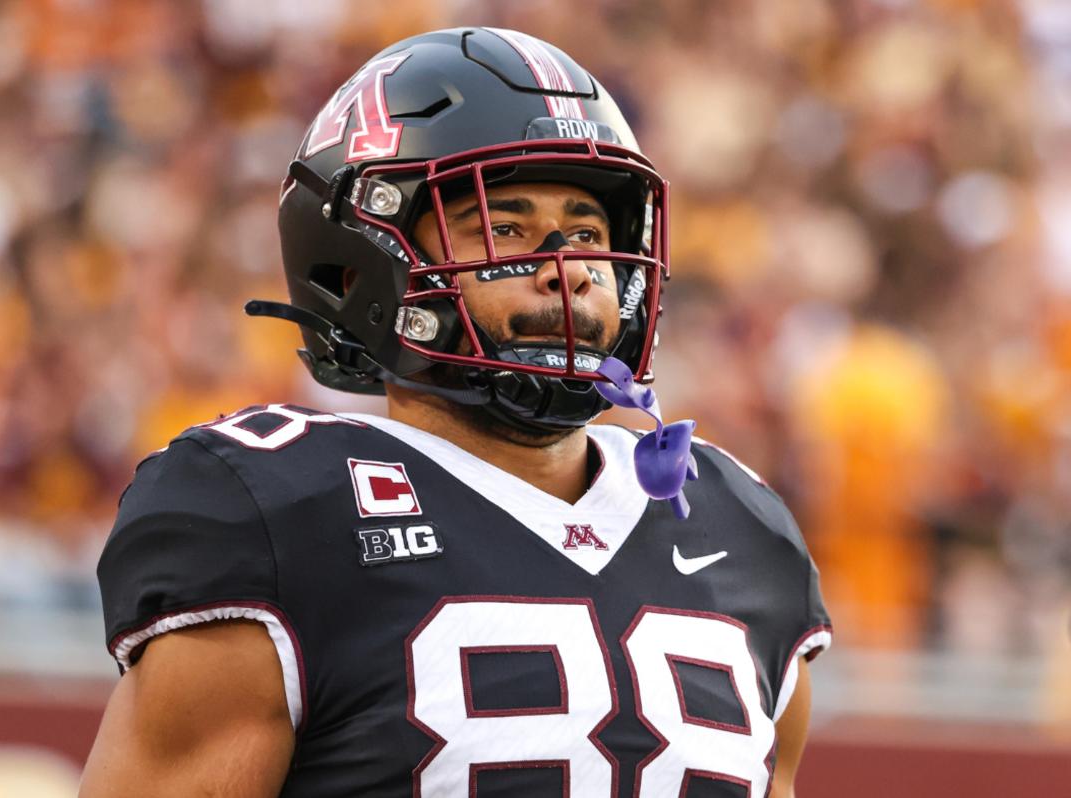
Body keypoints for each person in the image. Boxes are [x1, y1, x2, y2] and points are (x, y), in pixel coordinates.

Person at [81, 27, 831, 798]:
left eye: (586, 233)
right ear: (369, 256)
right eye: (503, 229)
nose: (564, 271)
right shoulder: (278, 511)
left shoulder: (740, 530)